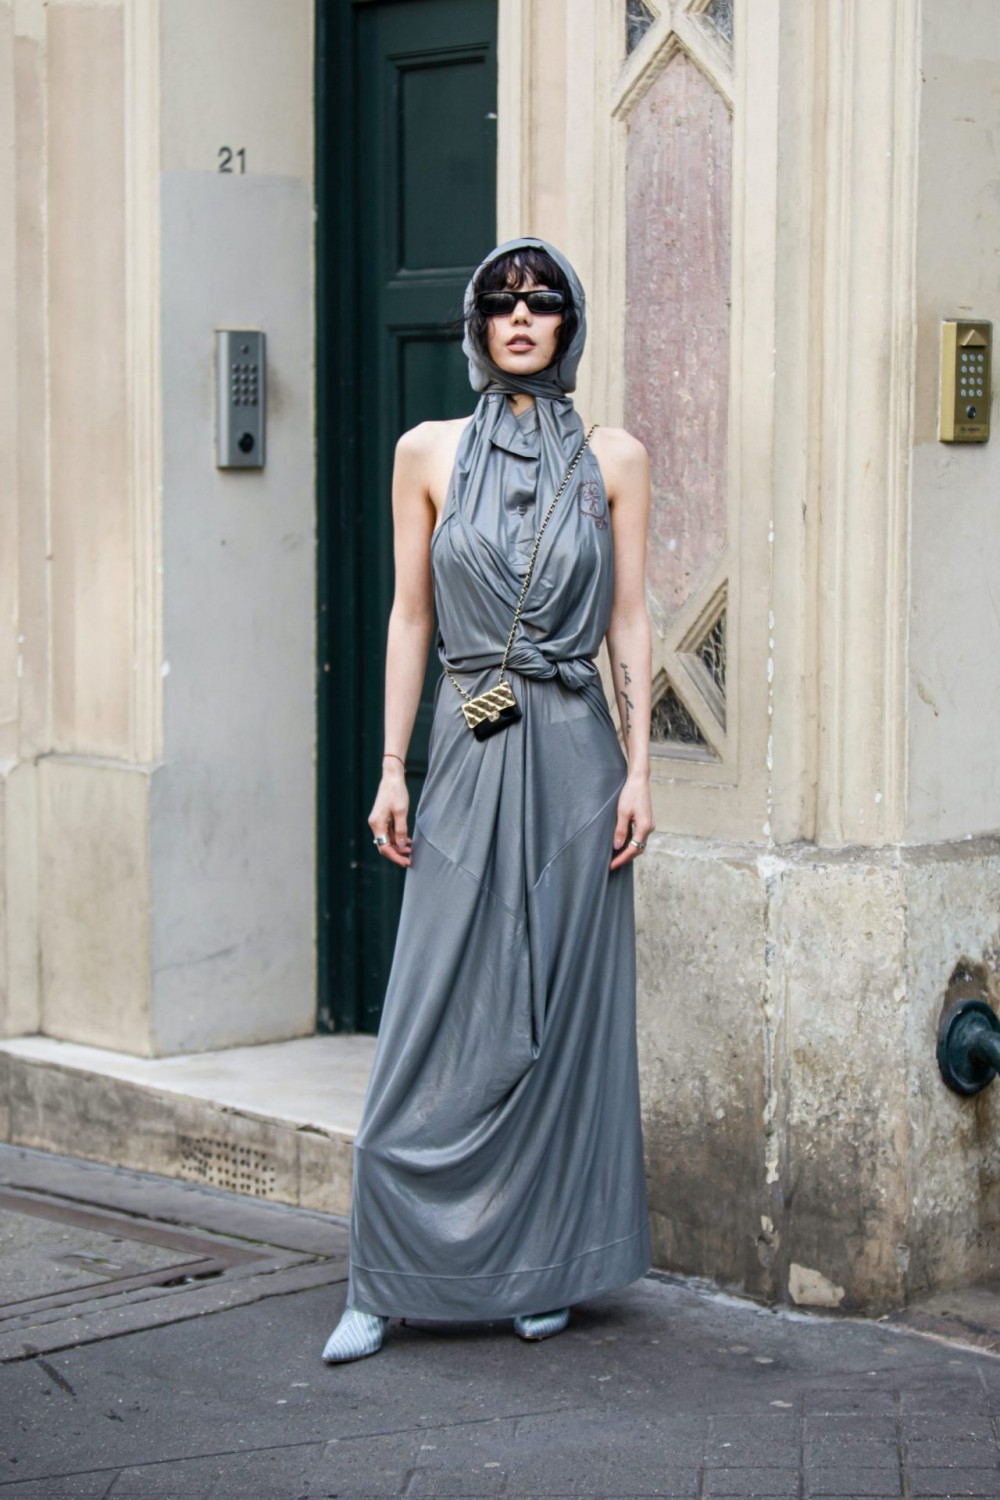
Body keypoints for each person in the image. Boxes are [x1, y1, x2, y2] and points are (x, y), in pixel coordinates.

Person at [322, 237, 654, 1364]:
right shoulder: (427, 450)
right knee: (438, 1002)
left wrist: (641, 771)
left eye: (542, 300)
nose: (521, 316)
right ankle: (383, 1274)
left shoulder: (615, 457)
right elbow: (410, 616)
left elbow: (629, 620)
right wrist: (391, 766)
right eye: (501, 301)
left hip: (577, 756)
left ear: (568, 323)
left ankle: (542, 1266)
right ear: (475, 323)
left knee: (560, 1015)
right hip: (471, 737)